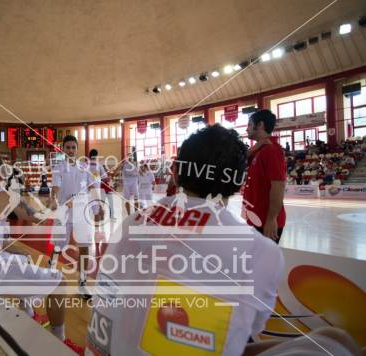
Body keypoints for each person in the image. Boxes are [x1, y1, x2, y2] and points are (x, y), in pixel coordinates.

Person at [86, 125, 284, 355]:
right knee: (331, 339)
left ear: (176, 172)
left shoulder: (129, 222)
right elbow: (248, 331)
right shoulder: (260, 252)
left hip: (102, 347)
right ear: (240, 182)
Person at [0, 155, 83, 353]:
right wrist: (57, 206)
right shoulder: (3, 196)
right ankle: (59, 342)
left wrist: (23, 255)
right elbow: (38, 218)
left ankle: (28, 312)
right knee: (59, 282)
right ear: (1, 172)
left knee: (24, 258)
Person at [50, 135, 99, 299]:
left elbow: (92, 187)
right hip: (64, 210)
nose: (70, 150)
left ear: (77, 149)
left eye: (73, 147)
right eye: (68, 147)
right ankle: (50, 275)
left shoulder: (85, 167)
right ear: (63, 149)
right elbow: (55, 187)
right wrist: (53, 199)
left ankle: (82, 283)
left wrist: (97, 206)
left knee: (84, 247)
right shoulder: (58, 167)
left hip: (81, 210)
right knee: (58, 247)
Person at [243, 110, 286, 244]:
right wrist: (257, 146)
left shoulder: (271, 150)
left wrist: (271, 219)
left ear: (260, 125)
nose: (246, 128)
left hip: (265, 221)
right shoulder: (259, 150)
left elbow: (278, 186)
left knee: (264, 263)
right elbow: (240, 161)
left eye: (249, 125)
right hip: (255, 218)